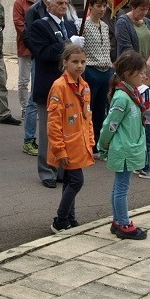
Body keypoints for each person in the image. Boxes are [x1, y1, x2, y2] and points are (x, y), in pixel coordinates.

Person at [27, 0, 82, 188]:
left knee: (66, 130)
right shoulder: (39, 26)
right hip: (49, 85)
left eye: (65, 4)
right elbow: (43, 53)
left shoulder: (69, 25)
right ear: (48, 5)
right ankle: (46, 171)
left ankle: (61, 169)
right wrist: (68, 44)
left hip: (69, 86)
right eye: (59, 3)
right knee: (49, 132)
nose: (63, 6)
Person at [99, 50, 149, 240]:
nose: (145, 76)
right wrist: (103, 145)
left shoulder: (132, 93)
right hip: (123, 149)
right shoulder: (122, 97)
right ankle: (123, 223)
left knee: (119, 186)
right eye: (141, 72)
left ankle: (118, 220)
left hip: (128, 147)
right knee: (121, 188)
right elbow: (110, 125)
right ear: (128, 74)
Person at [46, 43, 94, 233]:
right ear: (65, 62)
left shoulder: (84, 86)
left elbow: (87, 117)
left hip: (79, 145)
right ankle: (60, 219)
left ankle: (70, 218)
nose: (80, 66)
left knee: (69, 181)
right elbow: (54, 123)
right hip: (66, 146)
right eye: (75, 62)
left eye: (83, 62)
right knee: (76, 181)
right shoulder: (59, 87)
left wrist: (90, 140)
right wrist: (59, 149)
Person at [18, 0, 59, 155]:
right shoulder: (34, 10)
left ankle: (54, 139)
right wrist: (39, 51)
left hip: (58, 60)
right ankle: (29, 139)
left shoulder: (62, 8)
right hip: (40, 59)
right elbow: (27, 35)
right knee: (35, 98)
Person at [81, 0, 114, 150]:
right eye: (98, 6)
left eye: (104, 6)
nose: (102, 9)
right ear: (91, 7)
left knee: (102, 110)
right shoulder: (83, 25)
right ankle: (86, 141)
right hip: (91, 69)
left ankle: (97, 142)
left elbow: (107, 49)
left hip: (105, 70)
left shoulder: (105, 26)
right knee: (89, 109)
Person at [12, 0, 40, 135]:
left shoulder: (43, 2)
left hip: (39, 48)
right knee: (24, 80)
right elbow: (19, 24)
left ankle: (33, 106)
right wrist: (33, 41)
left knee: (36, 80)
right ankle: (24, 108)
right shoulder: (19, 3)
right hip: (25, 47)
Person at [114, 0, 150, 67]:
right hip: (130, 67)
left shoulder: (147, 21)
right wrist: (142, 66)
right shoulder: (123, 22)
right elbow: (127, 49)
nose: (144, 12)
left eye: (147, 9)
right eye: (142, 9)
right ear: (133, 7)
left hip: (146, 67)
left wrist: (148, 64)